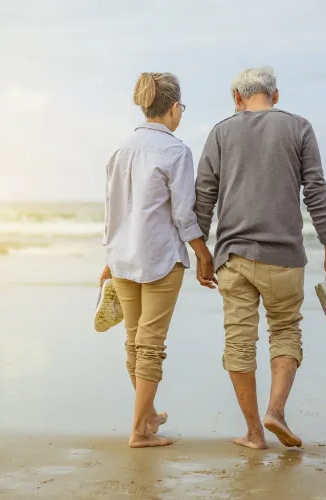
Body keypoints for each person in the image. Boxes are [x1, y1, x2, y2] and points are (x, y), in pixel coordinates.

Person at [193, 66, 326, 449]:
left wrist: (202, 254)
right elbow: (316, 192)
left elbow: (203, 197)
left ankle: (254, 432)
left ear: (237, 98)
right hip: (285, 257)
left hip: (234, 257)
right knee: (285, 331)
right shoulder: (299, 128)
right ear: (275, 96)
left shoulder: (221, 132)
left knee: (240, 342)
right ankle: (275, 411)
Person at [99, 72, 216, 448]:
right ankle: (139, 431)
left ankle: (147, 417)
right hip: (161, 258)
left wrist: (107, 256)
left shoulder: (120, 148)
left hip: (121, 258)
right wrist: (202, 253)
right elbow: (184, 214)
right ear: (172, 107)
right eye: (181, 106)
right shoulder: (176, 151)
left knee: (135, 341)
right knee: (150, 345)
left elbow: (111, 211)